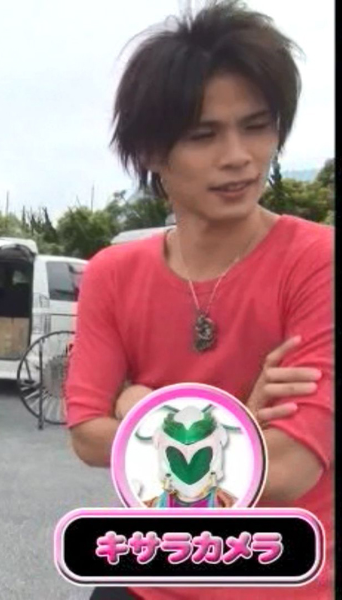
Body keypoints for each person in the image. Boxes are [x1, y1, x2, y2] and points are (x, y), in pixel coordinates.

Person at [63, 2, 333, 599]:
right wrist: (240, 422)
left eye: (256, 126)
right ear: (151, 151)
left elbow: (290, 469)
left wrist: (140, 408)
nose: (238, 155)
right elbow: (85, 436)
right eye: (202, 135)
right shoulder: (113, 273)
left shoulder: (318, 262)